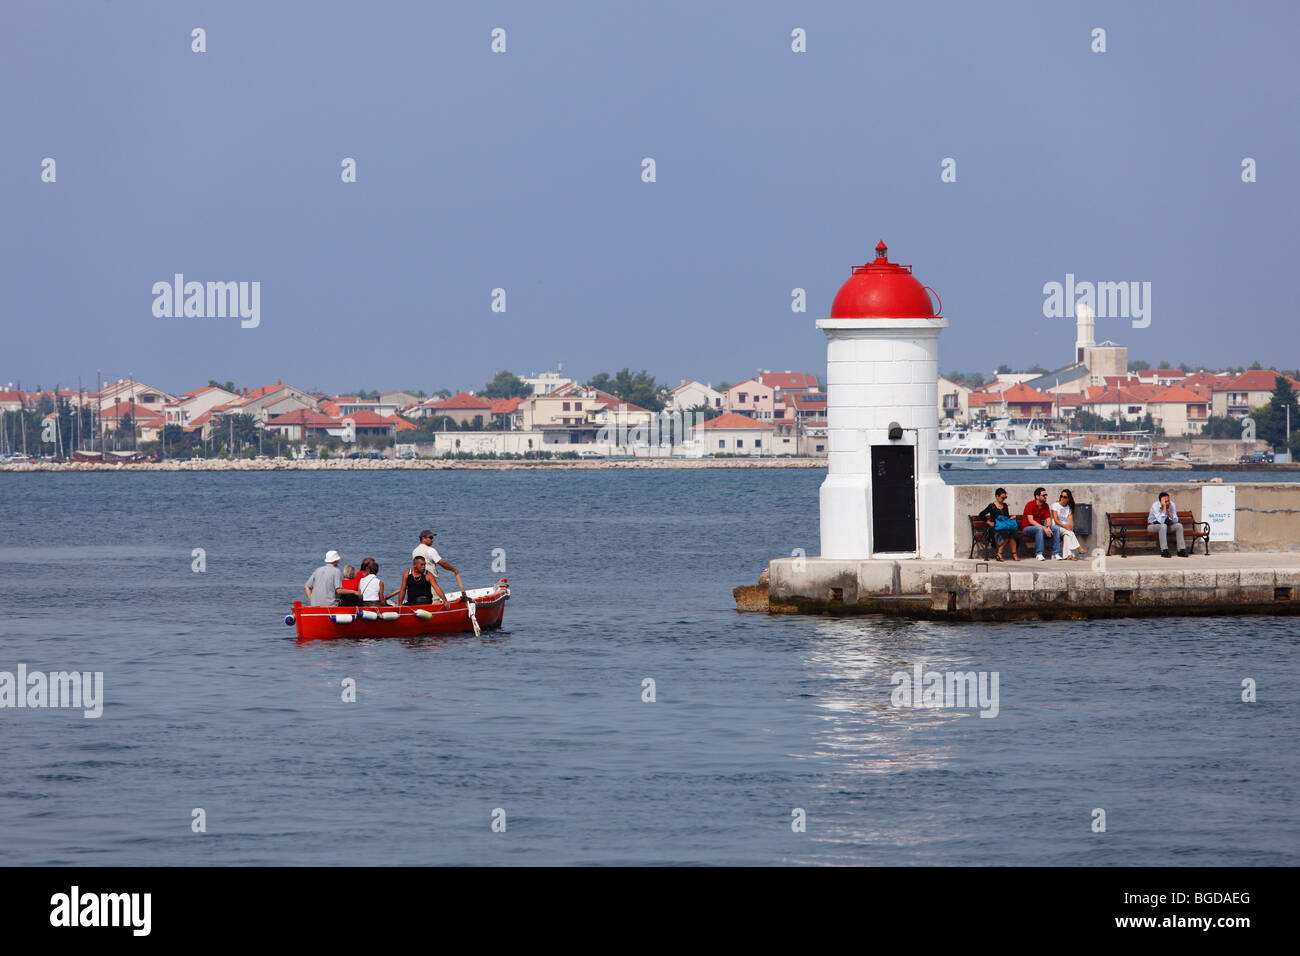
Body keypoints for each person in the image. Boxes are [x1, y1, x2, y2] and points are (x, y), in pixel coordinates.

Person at [412, 529, 467, 599]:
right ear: (423, 538)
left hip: (418, 581)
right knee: (435, 599)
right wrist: (454, 570)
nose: (432, 540)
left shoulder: (415, 551)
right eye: (430, 537)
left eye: (432, 537)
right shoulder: (430, 550)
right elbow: (442, 563)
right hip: (430, 581)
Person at [978, 488, 1019, 561]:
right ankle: (999, 554)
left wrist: (1010, 518)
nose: (1004, 499)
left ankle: (1014, 554)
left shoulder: (1005, 505)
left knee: (1013, 534)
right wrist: (989, 522)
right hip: (995, 528)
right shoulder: (992, 506)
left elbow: (1006, 517)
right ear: (997, 496)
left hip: (1004, 527)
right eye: (1002, 497)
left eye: (1005, 497)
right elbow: (981, 515)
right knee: (1007, 533)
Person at [1022, 487, 1063, 561]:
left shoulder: (1045, 505)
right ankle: (1039, 553)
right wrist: (1044, 528)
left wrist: (1048, 527)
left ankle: (1055, 553)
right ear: (1037, 496)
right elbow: (1031, 521)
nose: (1045, 497)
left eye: (1046, 495)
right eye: (1043, 495)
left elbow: (1048, 519)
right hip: (1027, 529)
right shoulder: (1030, 505)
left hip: (1039, 529)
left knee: (1056, 528)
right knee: (1039, 529)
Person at [1148, 491, 1188, 557]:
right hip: (1153, 526)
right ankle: (1164, 550)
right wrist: (1164, 508)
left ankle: (1181, 550)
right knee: (1163, 526)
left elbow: (1175, 521)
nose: (1167, 503)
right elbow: (1161, 521)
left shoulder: (1172, 504)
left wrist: (1169, 511)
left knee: (1179, 526)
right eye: (1165, 501)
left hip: (1166, 526)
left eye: (1168, 500)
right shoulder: (1155, 506)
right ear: (1160, 501)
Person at [1051, 489, 1086, 560]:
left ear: (1068, 499)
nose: (1062, 498)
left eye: (1064, 497)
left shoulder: (1069, 508)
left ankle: (1068, 556)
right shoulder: (1055, 505)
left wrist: (1071, 527)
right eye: (1061, 496)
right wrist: (1066, 527)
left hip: (1065, 528)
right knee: (1069, 533)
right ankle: (1079, 547)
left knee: (1067, 535)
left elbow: (1071, 520)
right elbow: (1056, 520)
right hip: (1057, 527)